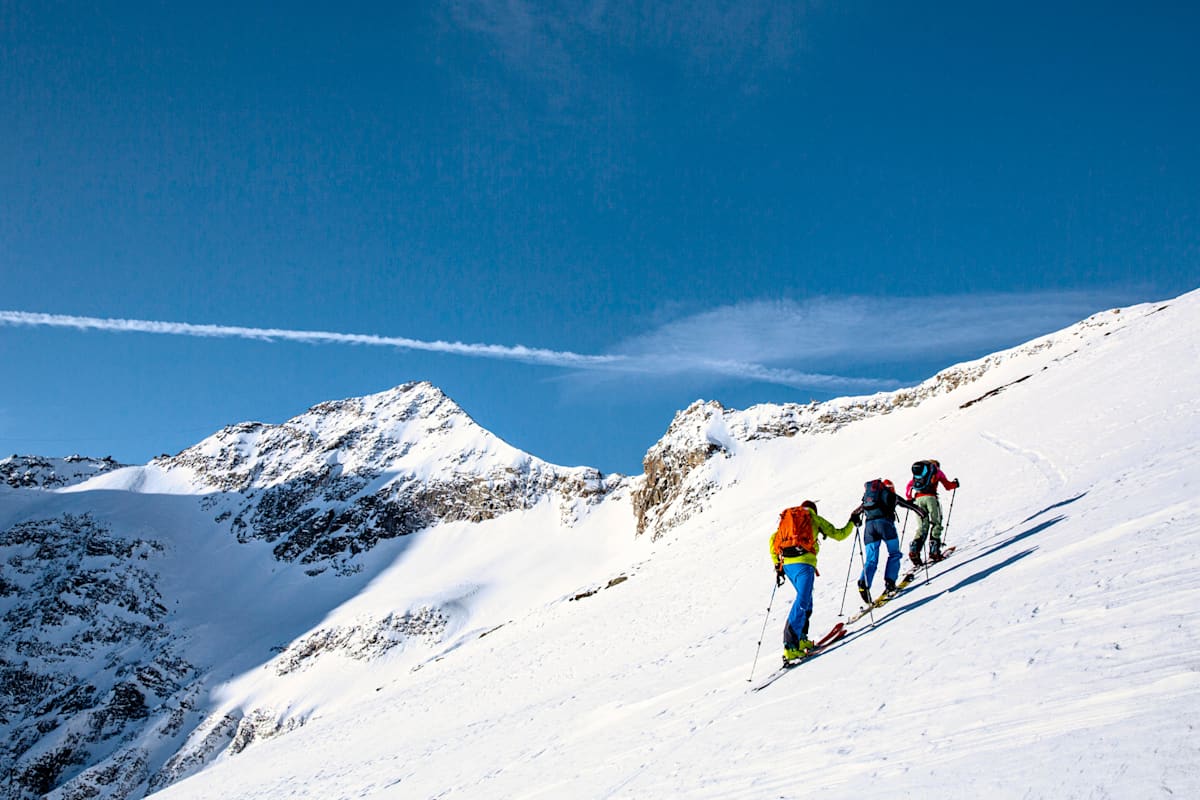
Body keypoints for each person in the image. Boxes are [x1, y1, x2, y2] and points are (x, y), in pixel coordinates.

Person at [769, 500, 855, 661]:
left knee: (806, 599)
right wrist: (852, 522)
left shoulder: (788, 521)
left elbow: (773, 540)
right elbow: (839, 534)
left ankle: (801, 639)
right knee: (802, 601)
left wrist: (777, 564)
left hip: (788, 566)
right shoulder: (813, 518)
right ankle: (790, 645)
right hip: (804, 564)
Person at [850, 479, 926, 603]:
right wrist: (921, 512)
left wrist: (857, 521)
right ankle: (890, 583)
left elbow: (854, 514)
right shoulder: (889, 495)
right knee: (894, 553)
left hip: (869, 528)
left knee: (871, 560)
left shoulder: (869, 499)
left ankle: (864, 582)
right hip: (885, 526)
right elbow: (908, 505)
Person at [905, 460, 961, 565]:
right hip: (931, 498)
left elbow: (909, 486)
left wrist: (909, 498)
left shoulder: (918, 474)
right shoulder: (937, 471)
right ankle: (934, 551)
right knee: (936, 523)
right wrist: (955, 484)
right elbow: (948, 486)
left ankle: (914, 550)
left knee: (922, 526)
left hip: (918, 500)